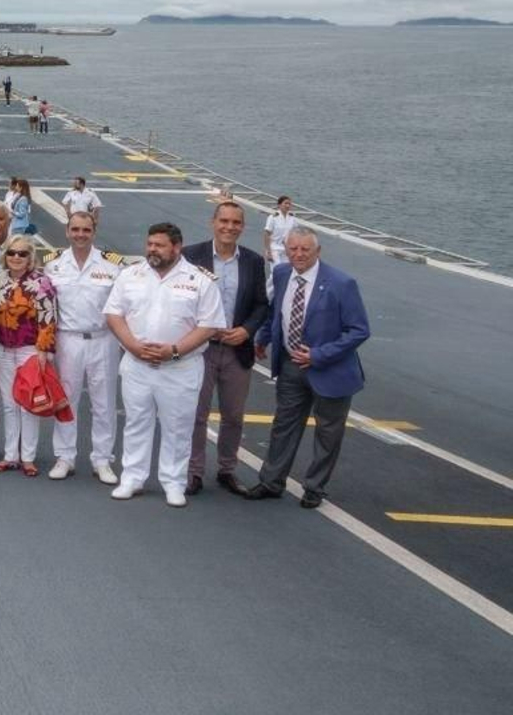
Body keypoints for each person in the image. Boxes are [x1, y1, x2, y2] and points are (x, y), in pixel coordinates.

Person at [102, 223, 227, 508]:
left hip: (180, 368)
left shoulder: (200, 280)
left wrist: (174, 351)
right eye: (149, 245)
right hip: (137, 364)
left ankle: (173, 482)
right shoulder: (130, 275)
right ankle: (132, 478)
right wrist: (132, 346)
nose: (152, 250)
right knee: (136, 422)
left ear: (177, 247)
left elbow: (209, 325)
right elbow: (114, 314)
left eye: (159, 245)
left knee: (178, 427)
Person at [246, 227, 370, 509]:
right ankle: (271, 482)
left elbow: (359, 330)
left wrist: (319, 355)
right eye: (293, 249)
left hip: (330, 370)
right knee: (283, 426)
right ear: (286, 250)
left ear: (318, 252)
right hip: (290, 366)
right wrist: (263, 338)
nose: (298, 255)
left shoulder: (341, 283)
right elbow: (277, 311)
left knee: (328, 433)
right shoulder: (280, 274)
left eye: (305, 250)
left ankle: (314, 487)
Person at [179, 201, 271, 496]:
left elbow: (261, 304)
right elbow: (178, 299)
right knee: (197, 413)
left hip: (236, 349)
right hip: (200, 349)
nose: (230, 227)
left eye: (236, 223)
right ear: (213, 222)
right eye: (224, 221)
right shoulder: (191, 256)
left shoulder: (254, 262)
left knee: (233, 415)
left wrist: (246, 331)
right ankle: (193, 472)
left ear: (242, 227)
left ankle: (227, 470)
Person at [44, 213, 122, 484]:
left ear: (94, 231)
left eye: (85, 230)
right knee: (66, 400)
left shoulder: (113, 266)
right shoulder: (53, 265)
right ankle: (65, 456)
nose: (80, 234)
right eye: (75, 229)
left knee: (104, 402)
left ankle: (103, 459)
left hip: (103, 338)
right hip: (68, 339)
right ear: (67, 231)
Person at [0, 236, 58, 477]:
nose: (16, 257)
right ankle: (10, 455)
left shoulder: (41, 283)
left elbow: (48, 319)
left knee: (28, 402)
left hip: (29, 349)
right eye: (11, 253)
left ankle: (28, 457)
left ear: (31, 258)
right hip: (3, 348)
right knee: (9, 402)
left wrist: (43, 350)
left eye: (22, 254)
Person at [263, 196, 299, 270]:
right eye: (285, 203)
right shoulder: (273, 217)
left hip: (287, 249)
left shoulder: (292, 218)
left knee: (286, 271)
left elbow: (296, 234)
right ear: (279, 205)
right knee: (276, 271)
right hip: (274, 248)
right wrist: (268, 251)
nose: (288, 205)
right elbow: (267, 234)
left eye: (289, 204)